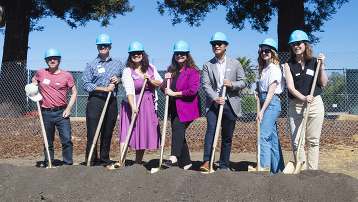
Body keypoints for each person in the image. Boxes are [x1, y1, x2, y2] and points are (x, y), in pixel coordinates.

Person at [200, 32, 247, 171]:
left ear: (226, 46)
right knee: (211, 131)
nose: (216, 46)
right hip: (214, 104)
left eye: (219, 44)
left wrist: (231, 84)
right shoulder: (207, 65)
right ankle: (208, 161)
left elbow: (243, 82)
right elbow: (205, 84)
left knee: (227, 136)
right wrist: (215, 97)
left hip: (230, 104)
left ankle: (224, 165)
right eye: (214, 44)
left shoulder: (235, 63)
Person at [284, 30, 328, 170]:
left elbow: (323, 83)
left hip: (315, 104)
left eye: (299, 43)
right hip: (296, 105)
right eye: (293, 44)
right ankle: (301, 171)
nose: (296, 46)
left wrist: (321, 66)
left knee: (313, 140)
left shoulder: (315, 62)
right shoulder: (288, 64)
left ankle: (312, 171)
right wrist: (303, 98)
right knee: (297, 141)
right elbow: (290, 87)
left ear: (305, 44)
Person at [82, 34, 124, 168]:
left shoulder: (118, 63)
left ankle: (105, 159)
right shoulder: (91, 64)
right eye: (100, 45)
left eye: (105, 45)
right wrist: (104, 89)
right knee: (93, 132)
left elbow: (125, 76)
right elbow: (86, 84)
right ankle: (91, 160)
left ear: (110, 46)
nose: (103, 47)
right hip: (96, 100)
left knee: (107, 132)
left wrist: (119, 80)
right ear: (97, 47)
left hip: (111, 101)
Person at [30, 48, 77, 167]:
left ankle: (68, 164)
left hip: (62, 112)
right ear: (46, 61)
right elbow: (34, 80)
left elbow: (74, 93)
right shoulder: (41, 72)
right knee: (47, 140)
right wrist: (34, 83)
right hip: (46, 112)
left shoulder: (67, 75)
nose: (52, 60)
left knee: (66, 139)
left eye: (55, 58)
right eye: (50, 59)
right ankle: (49, 163)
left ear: (59, 60)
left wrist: (68, 108)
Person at [118, 41, 162, 165]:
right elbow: (129, 90)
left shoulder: (151, 68)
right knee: (126, 131)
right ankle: (121, 160)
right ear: (130, 55)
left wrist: (150, 80)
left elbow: (160, 83)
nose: (136, 55)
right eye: (133, 53)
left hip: (147, 104)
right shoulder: (127, 71)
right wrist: (133, 107)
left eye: (138, 53)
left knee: (142, 132)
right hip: (131, 104)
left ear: (143, 54)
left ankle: (138, 163)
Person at [160, 41, 201, 170]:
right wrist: (165, 81)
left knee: (178, 128)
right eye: (177, 53)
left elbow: (192, 91)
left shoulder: (192, 71)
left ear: (187, 55)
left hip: (187, 108)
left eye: (182, 53)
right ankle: (187, 162)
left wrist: (174, 93)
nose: (179, 55)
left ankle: (173, 157)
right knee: (179, 133)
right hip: (174, 108)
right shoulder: (170, 70)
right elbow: (163, 89)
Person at [253, 38, 285, 174]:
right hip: (266, 100)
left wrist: (261, 111)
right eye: (262, 51)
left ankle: (264, 169)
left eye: (267, 51)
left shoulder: (274, 69)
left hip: (271, 104)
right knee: (272, 139)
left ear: (273, 52)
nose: (264, 53)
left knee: (262, 136)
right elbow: (265, 90)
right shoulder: (264, 69)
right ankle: (278, 170)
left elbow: (271, 92)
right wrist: (258, 91)